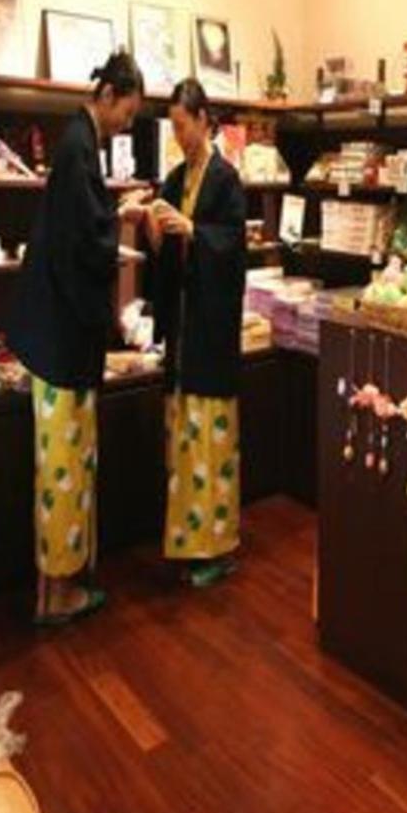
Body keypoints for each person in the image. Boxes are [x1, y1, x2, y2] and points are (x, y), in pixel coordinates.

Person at [8, 50, 147, 626]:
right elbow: (84, 241)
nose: (126, 125)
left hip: (57, 334)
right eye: (127, 113)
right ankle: (56, 594)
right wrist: (123, 219)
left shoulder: (79, 143)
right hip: (61, 338)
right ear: (108, 95)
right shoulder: (75, 146)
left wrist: (112, 215)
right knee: (63, 469)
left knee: (59, 467)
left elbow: (83, 226)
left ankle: (55, 587)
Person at [146, 78, 246, 586]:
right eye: (174, 128)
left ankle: (219, 546)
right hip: (182, 329)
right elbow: (163, 257)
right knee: (183, 439)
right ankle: (187, 540)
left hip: (210, 329)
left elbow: (233, 246)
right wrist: (155, 229)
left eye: (184, 126)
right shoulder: (174, 179)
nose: (179, 136)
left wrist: (194, 232)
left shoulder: (226, 180)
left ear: (205, 120)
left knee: (211, 440)